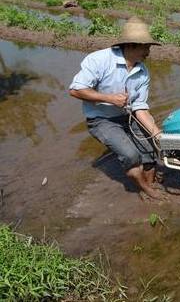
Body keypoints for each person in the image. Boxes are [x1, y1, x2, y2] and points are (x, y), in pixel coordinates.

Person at [69, 17, 166, 200]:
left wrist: (156, 134)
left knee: (151, 152)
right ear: (131, 45)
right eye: (146, 47)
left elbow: (140, 108)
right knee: (131, 155)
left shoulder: (142, 71)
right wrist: (109, 98)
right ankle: (146, 190)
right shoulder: (99, 60)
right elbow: (75, 90)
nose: (148, 52)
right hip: (101, 119)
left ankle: (151, 183)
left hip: (128, 116)